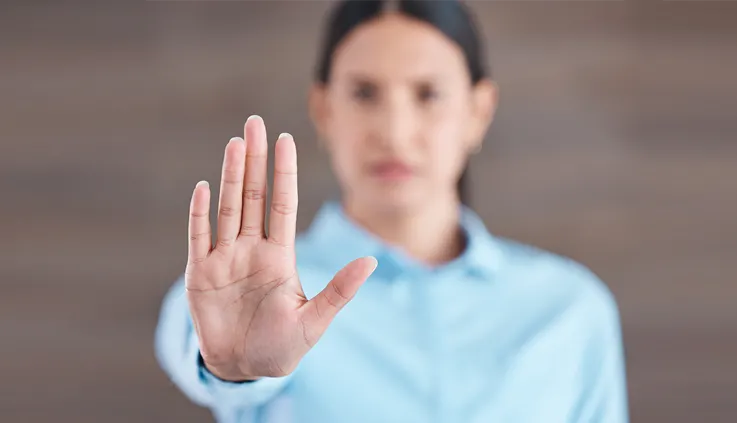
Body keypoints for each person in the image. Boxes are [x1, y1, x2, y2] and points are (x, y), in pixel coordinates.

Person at [154, 0, 628, 421]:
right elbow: (201, 344)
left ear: (479, 112)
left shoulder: (570, 310)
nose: (395, 132)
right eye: (364, 93)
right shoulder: (241, 293)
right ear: (323, 110)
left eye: (428, 94)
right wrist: (234, 370)